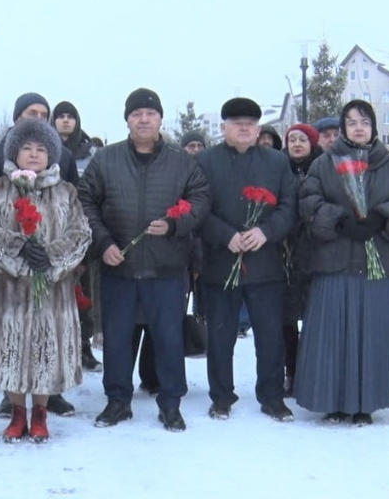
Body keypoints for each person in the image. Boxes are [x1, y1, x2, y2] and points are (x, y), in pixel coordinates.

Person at [79, 88, 210, 431]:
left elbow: (200, 201)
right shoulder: (105, 159)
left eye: (150, 113)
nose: (144, 119)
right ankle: (118, 401)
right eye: (136, 114)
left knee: (168, 339)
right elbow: (85, 203)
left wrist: (173, 225)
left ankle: (171, 404)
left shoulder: (182, 161)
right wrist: (103, 241)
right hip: (118, 266)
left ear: (160, 119)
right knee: (117, 339)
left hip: (165, 268)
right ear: (127, 120)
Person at [295, 100, 389, 425]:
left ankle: (365, 402)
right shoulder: (324, 164)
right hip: (335, 261)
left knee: (370, 334)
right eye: (351, 122)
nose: (358, 127)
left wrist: (382, 216)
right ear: (343, 127)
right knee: (332, 335)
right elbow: (308, 200)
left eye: (364, 121)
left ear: (373, 126)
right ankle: (332, 401)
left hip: (373, 263)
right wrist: (337, 219)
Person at [0, 118, 91, 442]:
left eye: (41, 149)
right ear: (15, 153)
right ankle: (17, 412)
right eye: (27, 148)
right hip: (6, 292)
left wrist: (50, 258)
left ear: (51, 155)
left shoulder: (65, 191)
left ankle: (40, 412)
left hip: (50, 291)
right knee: (9, 350)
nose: (34, 154)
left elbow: (80, 234)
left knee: (45, 353)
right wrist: (18, 252)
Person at [196, 98, 296, 422]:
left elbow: (289, 207)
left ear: (258, 130)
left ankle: (272, 396)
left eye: (250, 123)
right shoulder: (205, 162)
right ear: (223, 127)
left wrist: (267, 231)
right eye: (236, 122)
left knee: (270, 337)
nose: (243, 127)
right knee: (221, 336)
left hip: (264, 263)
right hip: (220, 262)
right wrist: (225, 235)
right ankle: (221, 396)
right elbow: (197, 207)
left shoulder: (277, 163)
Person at [51, 100, 102, 372]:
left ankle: (84, 347)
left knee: (83, 293)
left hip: (80, 233)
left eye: (70, 116)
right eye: (60, 116)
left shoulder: (89, 153)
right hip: (48, 233)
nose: (65, 121)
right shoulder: (42, 147)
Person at [281, 123, 322, 397]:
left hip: (316, 253)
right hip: (284, 254)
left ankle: (312, 372)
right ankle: (291, 372)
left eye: (302, 140)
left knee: (314, 318)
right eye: (292, 139)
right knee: (286, 320)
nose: (296, 144)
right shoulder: (279, 169)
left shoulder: (322, 168)